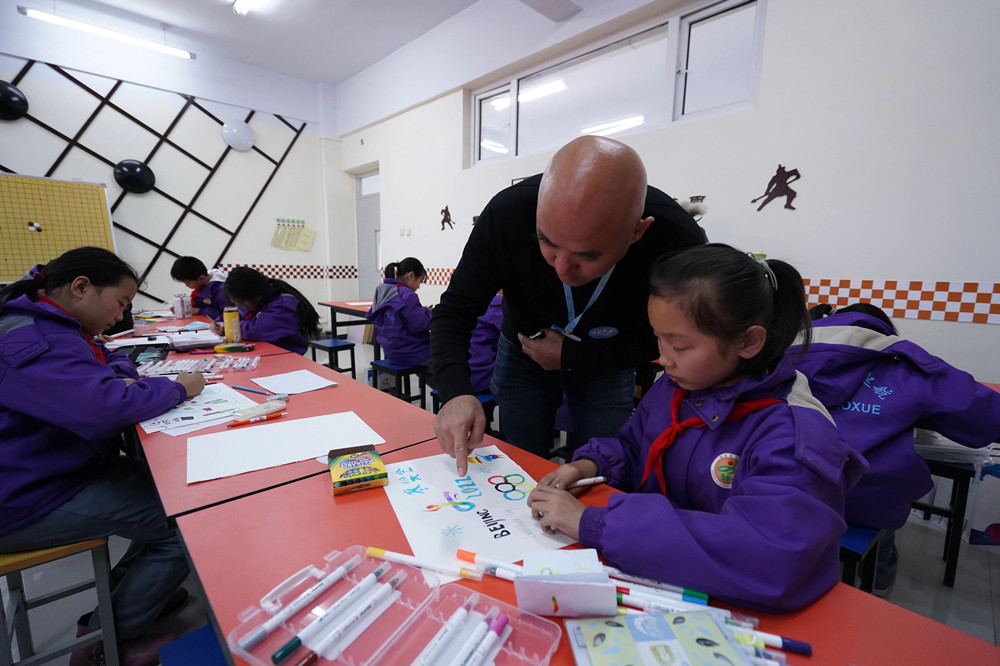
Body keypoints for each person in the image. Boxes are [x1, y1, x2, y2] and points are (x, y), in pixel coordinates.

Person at [525, 244, 867, 613]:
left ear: (748, 342)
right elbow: (638, 447)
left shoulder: (792, 434)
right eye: (658, 338)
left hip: (729, 605)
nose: (663, 358)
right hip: (656, 572)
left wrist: (596, 525)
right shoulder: (680, 386)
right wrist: (591, 465)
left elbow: (769, 555)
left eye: (680, 346)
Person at [431, 136, 707, 474]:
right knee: (519, 463)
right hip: (523, 351)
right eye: (547, 244)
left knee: (604, 466)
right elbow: (455, 310)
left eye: (587, 255)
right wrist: (455, 392)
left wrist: (576, 355)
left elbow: (676, 337)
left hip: (610, 359)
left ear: (637, 232)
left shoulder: (675, 239)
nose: (562, 269)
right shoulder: (509, 213)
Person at [0, 247, 206, 664]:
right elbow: (104, 407)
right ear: (81, 287)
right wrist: (178, 388)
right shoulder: (33, 337)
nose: (121, 314)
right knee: (186, 521)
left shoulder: (55, 323)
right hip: (28, 493)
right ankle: (105, 642)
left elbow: (106, 363)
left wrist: (119, 377)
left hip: (52, 467)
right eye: (121, 302)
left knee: (170, 492)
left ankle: (137, 598)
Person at [793, 302, 1000, 595]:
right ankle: (879, 582)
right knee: (882, 504)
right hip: (866, 499)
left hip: (789, 486)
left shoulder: (787, 351)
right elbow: (987, 417)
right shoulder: (906, 363)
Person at [209, 266, 321, 355]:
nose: (238, 305)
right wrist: (221, 322)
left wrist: (230, 327)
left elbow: (256, 330)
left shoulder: (284, 305)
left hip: (287, 356)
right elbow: (241, 313)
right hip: (265, 352)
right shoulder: (259, 301)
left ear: (255, 296)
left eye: (239, 302)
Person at [366, 258, 433, 367]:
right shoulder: (408, 295)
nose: (418, 287)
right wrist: (429, 313)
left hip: (391, 352)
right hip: (412, 353)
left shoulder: (383, 290)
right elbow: (420, 325)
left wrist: (422, 310)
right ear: (411, 275)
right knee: (446, 353)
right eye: (419, 281)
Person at [170, 256, 231, 321]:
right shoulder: (202, 285)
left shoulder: (221, 290)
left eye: (187, 283)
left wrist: (198, 310)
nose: (186, 286)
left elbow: (228, 315)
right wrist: (182, 307)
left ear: (201, 278)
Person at [468, 292, 503, 394]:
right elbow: (516, 336)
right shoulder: (497, 306)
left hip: (457, 373)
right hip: (481, 378)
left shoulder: (468, 302)